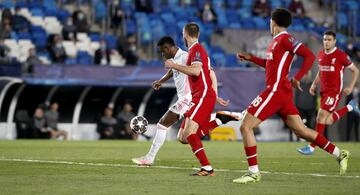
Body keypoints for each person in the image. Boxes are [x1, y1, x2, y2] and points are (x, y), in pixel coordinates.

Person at [234, 8, 349, 184]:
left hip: (276, 90)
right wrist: (250, 58)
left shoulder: (286, 38)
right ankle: (339, 154)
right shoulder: (275, 42)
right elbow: (270, 65)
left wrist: (297, 77)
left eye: (270, 21)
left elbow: (309, 56)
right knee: (301, 131)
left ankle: (253, 172)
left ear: (273, 22)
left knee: (245, 126)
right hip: (282, 93)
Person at [132, 36, 240, 166]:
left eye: (162, 51)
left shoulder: (187, 56)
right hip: (185, 98)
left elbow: (210, 73)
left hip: (189, 98)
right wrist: (161, 81)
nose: (162, 54)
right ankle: (217, 120)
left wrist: (214, 95)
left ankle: (149, 158)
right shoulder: (176, 60)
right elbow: (173, 71)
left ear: (168, 48)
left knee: (162, 124)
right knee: (183, 138)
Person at [163, 23, 241, 176]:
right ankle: (218, 119)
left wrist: (174, 65)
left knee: (191, 134)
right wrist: (215, 95)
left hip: (202, 97)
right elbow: (210, 74)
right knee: (183, 138)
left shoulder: (197, 49)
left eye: (182, 34)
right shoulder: (195, 51)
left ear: (185, 34)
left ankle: (207, 168)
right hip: (201, 97)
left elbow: (197, 71)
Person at [297, 31, 360, 154]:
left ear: (334, 41)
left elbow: (355, 71)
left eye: (329, 40)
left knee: (320, 116)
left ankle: (311, 147)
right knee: (328, 120)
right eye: (325, 39)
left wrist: (351, 87)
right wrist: (314, 84)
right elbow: (321, 72)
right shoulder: (320, 54)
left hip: (334, 92)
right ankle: (350, 107)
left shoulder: (341, 55)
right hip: (323, 92)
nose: (326, 42)